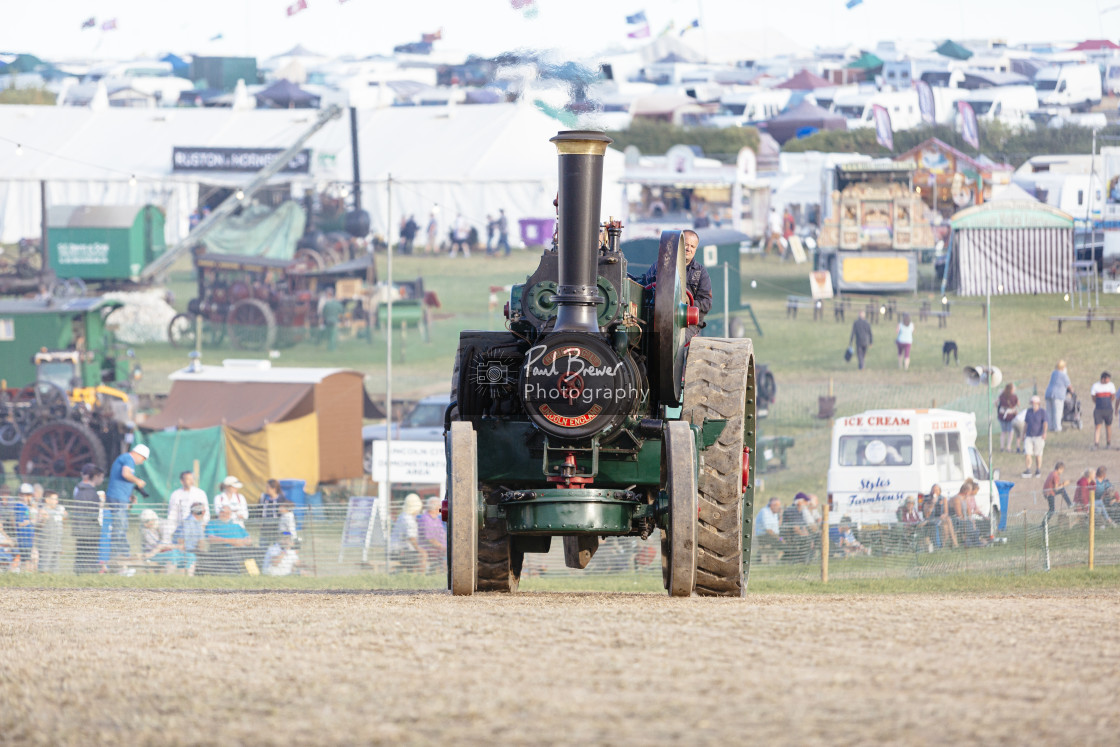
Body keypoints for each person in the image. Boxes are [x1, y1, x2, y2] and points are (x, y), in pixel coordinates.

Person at [637, 229, 712, 343]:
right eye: (686, 245)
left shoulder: (701, 273)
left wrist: (688, 303)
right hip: (658, 318)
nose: (688, 249)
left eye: (692, 246)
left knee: (676, 341)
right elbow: (644, 289)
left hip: (686, 323)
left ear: (696, 249)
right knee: (639, 339)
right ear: (678, 245)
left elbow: (706, 303)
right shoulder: (659, 266)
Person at [102, 444, 149, 569]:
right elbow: (126, 474)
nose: (142, 462)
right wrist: (138, 481)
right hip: (117, 497)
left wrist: (130, 495)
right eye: (143, 459)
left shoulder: (126, 459)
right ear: (139, 454)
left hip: (121, 497)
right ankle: (117, 559)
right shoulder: (128, 458)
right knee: (120, 527)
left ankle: (121, 556)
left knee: (121, 526)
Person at [200, 504, 253, 575]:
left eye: (227, 513)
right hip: (222, 549)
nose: (224, 514)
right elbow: (211, 539)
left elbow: (249, 540)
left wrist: (241, 543)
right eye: (222, 512)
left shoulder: (236, 525)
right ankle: (237, 574)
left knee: (255, 551)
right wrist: (232, 541)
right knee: (233, 554)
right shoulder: (212, 523)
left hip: (241, 549)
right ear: (219, 513)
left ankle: (253, 574)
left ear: (230, 514)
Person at [72, 464, 104, 573]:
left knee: (81, 552)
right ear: (95, 476)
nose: (102, 480)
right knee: (90, 553)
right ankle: (89, 573)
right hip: (89, 529)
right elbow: (93, 513)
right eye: (101, 477)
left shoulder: (78, 490)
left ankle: (80, 573)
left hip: (79, 527)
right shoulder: (91, 493)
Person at [167, 471, 209, 540]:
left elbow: (206, 513)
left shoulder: (200, 493)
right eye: (188, 479)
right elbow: (172, 514)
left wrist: (202, 527)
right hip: (181, 530)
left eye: (192, 479)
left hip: (197, 529)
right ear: (182, 481)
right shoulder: (176, 494)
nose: (191, 481)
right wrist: (171, 531)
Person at [390, 493, 426, 573]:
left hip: (396, 551)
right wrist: (419, 550)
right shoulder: (408, 519)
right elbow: (411, 538)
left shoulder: (403, 516)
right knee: (423, 555)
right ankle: (420, 578)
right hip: (400, 552)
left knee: (419, 554)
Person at [35, 491, 65, 573]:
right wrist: (43, 519)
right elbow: (38, 526)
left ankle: (53, 583)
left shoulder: (58, 511)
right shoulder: (43, 511)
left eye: (57, 499)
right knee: (44, 566)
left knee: (55, 568)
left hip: (56, 543)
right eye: (54, 499)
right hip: (46, 544)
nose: (57, 501)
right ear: (47, 500)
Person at [417, 496, 447, 574]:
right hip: (431, 548)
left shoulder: (437, 518)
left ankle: (441, 575)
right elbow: (430, 539)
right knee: (449, 555)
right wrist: (443, 547)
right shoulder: (426, 519)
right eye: (439, 507)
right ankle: (443, 575)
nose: (441, 509)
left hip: (438, 548)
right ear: (435, 508)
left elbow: (443, 533)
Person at [1089, 371, 1117, 450]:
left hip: (1108, 409)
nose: (1109, 380)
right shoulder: (1095, 386)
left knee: (1108, 426)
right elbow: (1093, 397)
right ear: (1103, 379)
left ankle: (1108, 443)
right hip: (1098, 410)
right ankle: (1096, 443)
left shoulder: (1111, 385)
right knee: (1098, 426)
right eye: (1107, 379)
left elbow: (1113, 396)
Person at [1022, 395, 1048, 478]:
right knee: (1027, 453)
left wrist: (1044, 433)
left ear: (1038, 403)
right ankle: (1028, 469)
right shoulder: (1029, 411)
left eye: (1034, 403)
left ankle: (1038, 469)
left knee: (1038, 454)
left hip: (1038, 436)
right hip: (1029, 435)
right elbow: (1026, 423)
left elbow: (1045, 423)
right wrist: (1023, 434)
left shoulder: (1042, 412)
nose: (1033, 404)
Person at [13, 483, 36, 572]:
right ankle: (25, 574)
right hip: (23, 537)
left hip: (29, 537)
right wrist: (29, 521)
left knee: (28, 558)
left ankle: (27, 573)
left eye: (29, 495)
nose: (26, 497)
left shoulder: (27, 506)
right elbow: (19, 523)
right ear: (20, 495)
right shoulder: (19, 506)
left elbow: (33, 519)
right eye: (24, 495)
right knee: (25, 559)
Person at [1045, 360, 1072, 433]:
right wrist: (1072, 391)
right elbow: (1069, 386)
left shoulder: (1054, 373)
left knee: (1049, 411)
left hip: (1048, 393)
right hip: (1058, 395)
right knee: (1058, 411)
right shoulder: (1064, 375)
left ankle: (1050, 427)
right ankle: (1057, 427)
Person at [259, 480, 284, 548]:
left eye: (268, 487)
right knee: (263, 546)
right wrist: (260, 521)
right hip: (265, 526)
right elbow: (259, 510)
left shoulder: (281, 499)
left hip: (276, 526)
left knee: (276, 546)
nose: (266, 489)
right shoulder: (264, 497)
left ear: (274, 489)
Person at [997, 383, 1020, 452]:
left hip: (1002, 415)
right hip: (1011, 416)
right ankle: (1008, 447)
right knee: (1010, 432)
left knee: (1003, 432)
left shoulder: (1002, 395)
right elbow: (1018, 404)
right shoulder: (1014, 396)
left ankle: (1002, 447)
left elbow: (996, 402)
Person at [320, 287, 344, 352]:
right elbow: (341, 312)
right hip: (335, 321)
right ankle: (332, 347)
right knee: (333, 335)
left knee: (329, 334)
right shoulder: (337, 303)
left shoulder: (326, 304)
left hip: (327, 321)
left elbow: (323, 313)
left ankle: (330, 347)